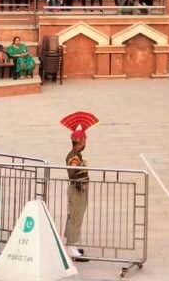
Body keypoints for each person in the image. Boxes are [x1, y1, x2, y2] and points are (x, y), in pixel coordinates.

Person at [62, 112, 98, 262]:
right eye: (84, 140)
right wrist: (80, 185)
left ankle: (72, 245)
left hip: (79, 191)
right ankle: (71, 249)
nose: (85, 143)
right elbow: (73, 173)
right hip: (77, 192)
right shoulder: (74, 156)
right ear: (80, 141)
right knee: (74, 219)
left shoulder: (75, 154)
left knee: (75, 218)